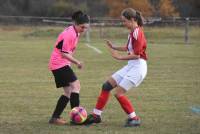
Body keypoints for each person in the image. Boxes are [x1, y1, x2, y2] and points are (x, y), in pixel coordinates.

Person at [85, 8, 147, 127]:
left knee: (119, 93)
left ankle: (135, 119)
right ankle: (96, 115)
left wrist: (119, 57)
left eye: (124, 21)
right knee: (106, 86)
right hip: (131, 66)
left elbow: (137, 55)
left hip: (138, 67)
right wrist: (114, 47)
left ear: (132, 19)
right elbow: (129, 48)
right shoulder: (133, 32)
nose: (123, 23)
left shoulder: (137, 33)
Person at [48, 10, 89, 125]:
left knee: (68, 92)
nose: (84, 30)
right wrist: (77, 62)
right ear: (76, 24)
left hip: (60, 64)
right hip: (59, 64)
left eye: (86, 28)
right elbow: (64, 53)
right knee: (76, 85)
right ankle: (77, 119)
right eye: (82, 27)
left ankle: (54, 118)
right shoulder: (70, 33)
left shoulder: (75, 32)